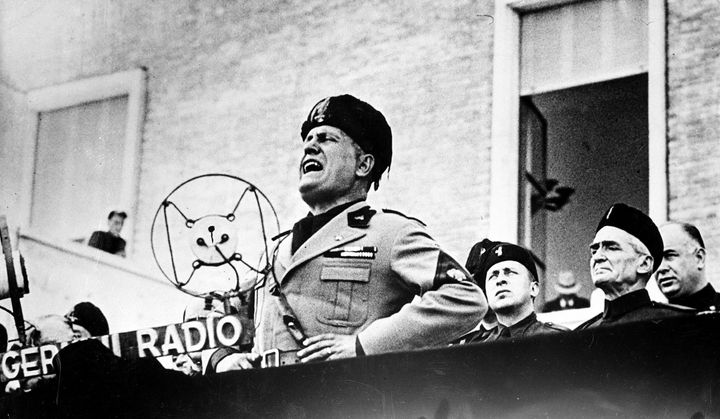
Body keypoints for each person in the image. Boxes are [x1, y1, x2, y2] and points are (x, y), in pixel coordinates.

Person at [211, 94, 486, 371]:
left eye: (326, 139)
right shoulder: (275, 252)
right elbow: (215, 309)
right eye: (308, 140)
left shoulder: (390, 233)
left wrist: (364, 345)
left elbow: (465, 298)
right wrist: (223, 358)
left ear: (363, 165)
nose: (310, 147)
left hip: (346, 399)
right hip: (266, 402)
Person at [576, 203, 695, 329]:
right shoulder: (582, 333)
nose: (597, 257)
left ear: (644, 264)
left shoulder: (678, 324)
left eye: (611, 248)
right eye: (594, 250)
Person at [466, 243, 567, 342]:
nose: (500, 280)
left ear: (533, 288)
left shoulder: (559, 340)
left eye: (509, 272)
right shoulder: (475, 348)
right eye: (493, 276)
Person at [656, 222, 720, 311]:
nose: (661, 268)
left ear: (699, 258)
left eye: (670, 255)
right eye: (656, 260)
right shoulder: (653, 320)